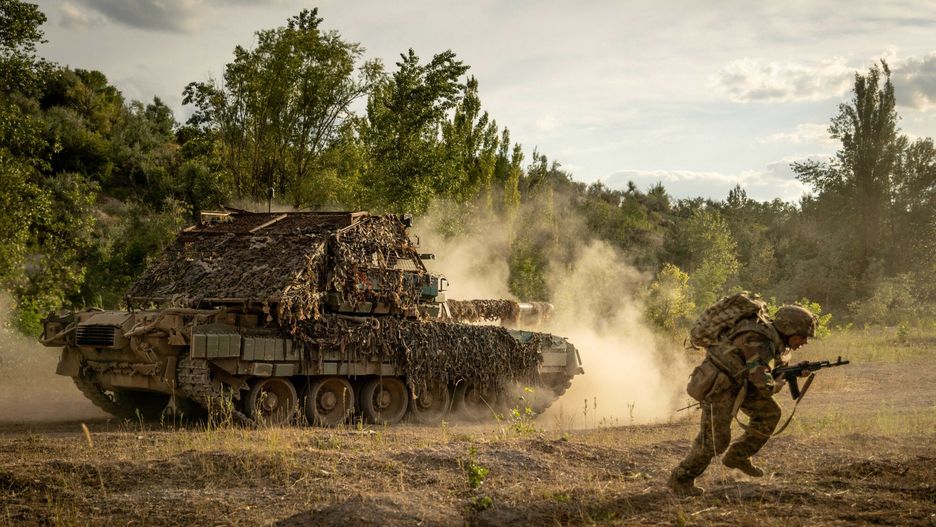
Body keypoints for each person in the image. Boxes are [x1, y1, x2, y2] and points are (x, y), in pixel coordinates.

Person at [667, 305, 817, 496]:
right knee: (715, 440)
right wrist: (777, 384)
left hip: (741, 383)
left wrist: (791, 371)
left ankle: (737, 455)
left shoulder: (773, 338)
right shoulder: (757, 338)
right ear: (788, 329)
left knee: (769, 414)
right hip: (720, 386)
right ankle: (681, 479)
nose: (804, 341)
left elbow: (767, 369)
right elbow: (763, 383)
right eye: (802, 335)